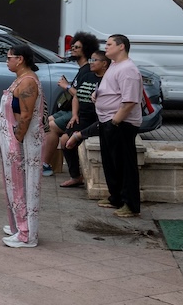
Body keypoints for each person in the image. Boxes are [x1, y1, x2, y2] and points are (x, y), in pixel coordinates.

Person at [0, 44, 44, 248]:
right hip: (12, 141)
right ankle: (18, 224)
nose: (7, 61)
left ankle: (26, 233)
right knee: (13, 185)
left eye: (9, 57)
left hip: (21, 144)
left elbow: (25, 116)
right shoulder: (20, 79)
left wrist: (16, 140)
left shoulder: (28, 83)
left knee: (20, 185)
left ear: (21, 59)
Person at [94, 33, 144, 218]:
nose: (105, 47)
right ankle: (115, 197)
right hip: (108, 120)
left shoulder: (128, 70)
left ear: (121, 46)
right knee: (111, 162)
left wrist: (115, 121)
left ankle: (130, 204)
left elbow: (130, 101)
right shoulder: (115, 65)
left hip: (120, 123)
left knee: (124, 164)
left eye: (109, 44)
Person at [42, 32, 100, 178]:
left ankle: (45, 164)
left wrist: (67, 86)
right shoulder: (82, 69)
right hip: (74, 111)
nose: (72, 49)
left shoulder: (88, 71)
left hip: (84, 114)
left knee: (52, 127)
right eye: (72, 46)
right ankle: (48, 162)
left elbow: (82, 95)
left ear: (85, 50)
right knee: (48, 120)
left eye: (77, 47)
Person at [61, 51, 111, 186]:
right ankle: (75, 176)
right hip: (82, 116)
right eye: (91, 59)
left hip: (98, 119)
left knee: (74, 140)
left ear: (104, 64)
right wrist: (74, 114)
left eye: (95, 60)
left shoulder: (108, 80)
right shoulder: (87, 75)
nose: (91, 63)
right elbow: (76, 96)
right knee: (64, 140)